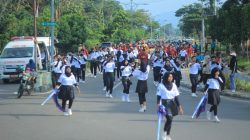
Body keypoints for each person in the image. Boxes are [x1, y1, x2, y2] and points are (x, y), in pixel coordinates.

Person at [157, 73, 184, 140]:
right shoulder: (161, 85)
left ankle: (168, 135)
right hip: (164, 103)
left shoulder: (174, 85)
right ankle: (164, 133)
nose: (170, 78)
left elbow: (176, 97)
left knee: (170, 120)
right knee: (169, 118)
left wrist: (180, 107)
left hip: (172, 103)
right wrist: (158, 106)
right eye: (169, 77)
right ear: (166, 77)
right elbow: (158, 96)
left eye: (171, 77)